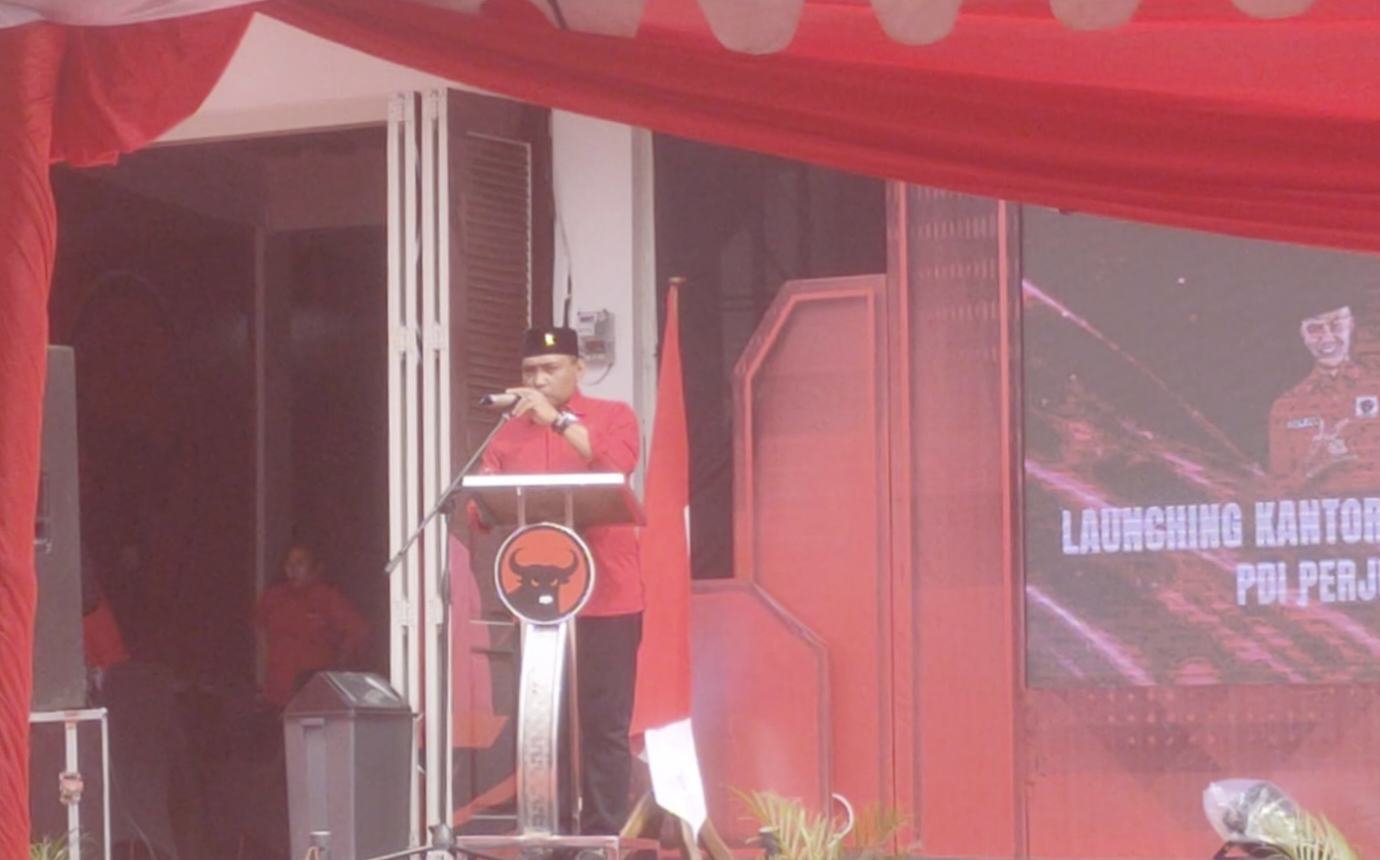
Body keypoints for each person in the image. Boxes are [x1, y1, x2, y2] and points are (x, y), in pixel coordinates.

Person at [469, 326, 643, 837]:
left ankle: (601, 835)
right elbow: (481, 509)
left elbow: (616, 465)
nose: (537, 380)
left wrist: (559, 421)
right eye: (529, 371)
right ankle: (552, 834)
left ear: (578, 370)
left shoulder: (614, 415)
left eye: (550, 369)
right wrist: (484, 497)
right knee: (545, 725)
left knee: (604, 723)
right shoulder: (508, 431)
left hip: (607, 596)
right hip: (538, 604)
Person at [1268, 284, 1380, 493]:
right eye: (1315, 329)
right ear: (1302, 334)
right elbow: (1278, 490)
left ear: (1352, 324)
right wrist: (1313, 466)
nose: (1327, 337)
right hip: (1319, 513)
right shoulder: (1287, 407)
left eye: (1336, 325)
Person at [253, 542, 370, 708]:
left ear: (316, 568)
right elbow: (259, 627)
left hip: (313, 697)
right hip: (275, 694)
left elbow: (359, 630)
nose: (293, 570)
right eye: (288, 564)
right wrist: (266, 666)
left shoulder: (328, 598)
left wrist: (337, 668)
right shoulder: (273, 597)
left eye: (300, 563)